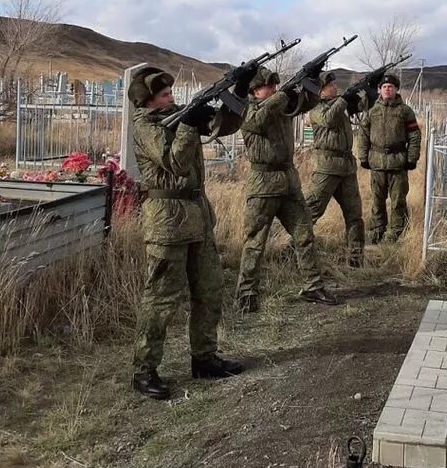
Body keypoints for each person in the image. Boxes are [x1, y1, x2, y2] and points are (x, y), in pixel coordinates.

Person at [128, 64, 253, 400]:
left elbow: (224, 126)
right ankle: (144, 371)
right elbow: (175, 162)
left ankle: (205, 359)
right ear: (149, 102)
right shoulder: (145, 126)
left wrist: (238, 93)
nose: (172, 99)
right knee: (161, 301)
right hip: (167, 223)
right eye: (165, 95)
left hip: (197, 218)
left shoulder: (177, 116)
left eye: (171, 94)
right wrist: (186, 123)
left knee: (209, 291)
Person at [236, 65, 338, 312]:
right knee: (255, 241)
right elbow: (258, 121)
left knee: (305, 235)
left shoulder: (279, 104)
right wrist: (283, 94)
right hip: (263, 184)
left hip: (289, 182)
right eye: (266, 86)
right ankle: (246, 292)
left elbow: (306, 103)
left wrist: (311, 81)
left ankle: (312, 285)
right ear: (254, 91)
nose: (272, 89)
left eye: (274, 85)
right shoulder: (246, 110)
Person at [304, 71, 366, 268]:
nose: (334, 87)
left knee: (355, 215)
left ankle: (355, 260)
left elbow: (364, 107)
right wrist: (344, 100)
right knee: (311, 212)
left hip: (347, 168)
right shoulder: (316, 109)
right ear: (320, 91)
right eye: (330, 85)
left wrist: (367, 91)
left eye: (334, 84)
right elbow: (328, 120)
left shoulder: (340, 105)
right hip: (327, 168)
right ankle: (297, 254)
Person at [358, 72, 421, 243]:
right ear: (380, 90)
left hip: (398, 162)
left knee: (398, 200)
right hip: (377, 162)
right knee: (377, 199)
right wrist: (363, 157)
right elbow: (363, 134)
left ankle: (396, 232)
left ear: (396, 89)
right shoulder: (372, 110)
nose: (387, 89)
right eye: (384, 87)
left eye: (390, 87)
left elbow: (414, 136)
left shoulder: (405, 111)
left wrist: (412, 158)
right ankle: (377, 230)